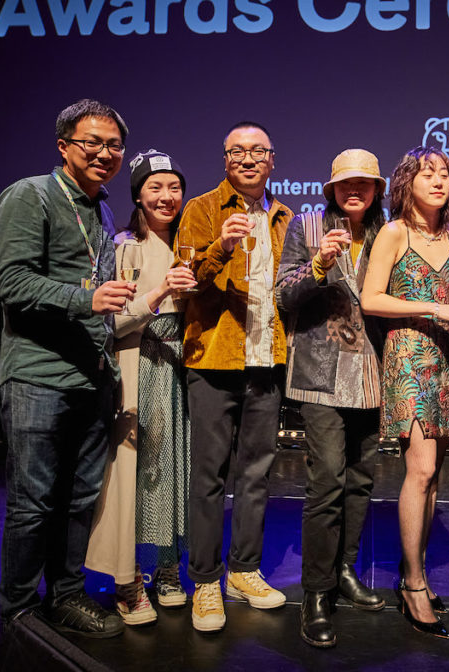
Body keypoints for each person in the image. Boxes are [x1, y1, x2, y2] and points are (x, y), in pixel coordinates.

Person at [0, 99, 133, 637]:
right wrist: (89, 299)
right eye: (91, 143)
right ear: (63, 146)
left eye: (113, 145)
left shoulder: (102, 208)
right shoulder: (31, 196)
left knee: (78, 499)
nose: (103, 153)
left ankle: (66, 596)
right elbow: (11, 284)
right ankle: (20, 611)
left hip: (90, 375)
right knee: (33, 503)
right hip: (38, 376)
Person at [180, 122, 293, 633]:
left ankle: (244, 570)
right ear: (225, 159)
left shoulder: (285, 216)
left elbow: (288, 286)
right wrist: (221, 248)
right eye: (238, 151)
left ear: (272, 160)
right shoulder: (202, 209)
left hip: (266, 360)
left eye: (258, 152)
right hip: (213, 359)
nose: (248, 159)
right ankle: (205, 579)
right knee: (208, 475)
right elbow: (188, 282)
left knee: (255, 474)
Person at [276, 149, 388, 648]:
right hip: (320, 371)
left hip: (374, 372)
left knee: (361, 480)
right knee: (327, 482)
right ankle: (317, 593)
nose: (355, 189)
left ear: (378, 189)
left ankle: (344, 570)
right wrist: (319, 265)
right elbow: (283, 294)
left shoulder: (390, 230)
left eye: (365, 182)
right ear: (331, 189)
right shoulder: (307, 226)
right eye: (346, 183)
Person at [361, 147, 449, 639]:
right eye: (427, 174)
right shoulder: (393, 232)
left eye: (445, 174)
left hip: (447, 359)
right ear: (407, 183)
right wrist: (435, 308)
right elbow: (371, 298)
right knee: (420, 469)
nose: (438, 181)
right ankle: (411, 583)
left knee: (435, 478)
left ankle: (419, 572)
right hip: (407, 353)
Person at [85, 150, 197, 625]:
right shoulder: (123, 245)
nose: (167, 196)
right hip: (137, 363)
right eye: (156, 187)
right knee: (132, 472)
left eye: (174, 187)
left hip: (182, 367)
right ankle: (128, 577)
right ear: (137, 194)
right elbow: (110, 323)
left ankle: (168, 569)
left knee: (178, 467)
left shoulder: (195, 242)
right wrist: (158, 294)